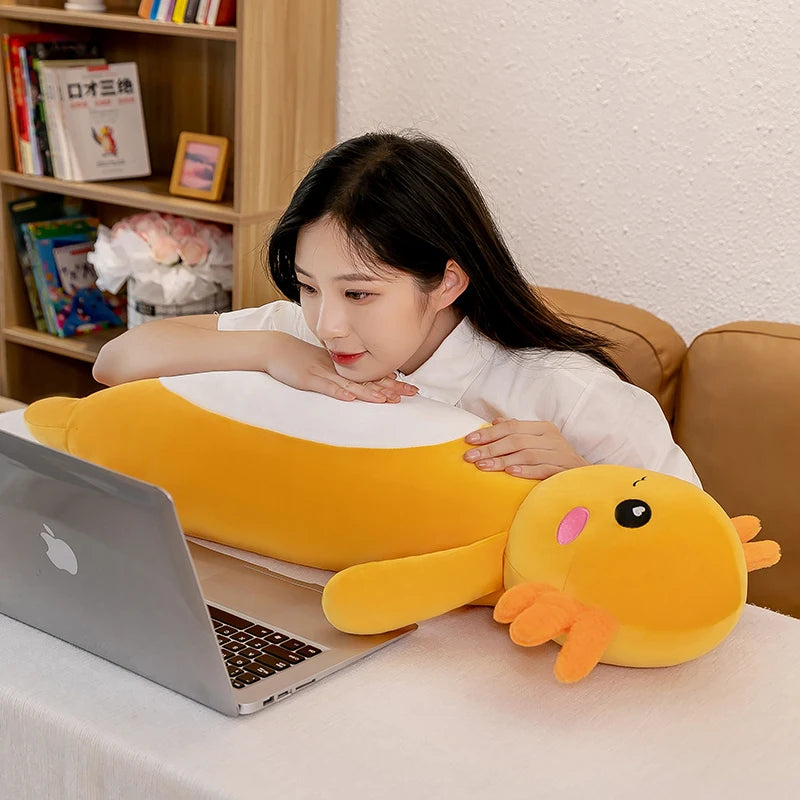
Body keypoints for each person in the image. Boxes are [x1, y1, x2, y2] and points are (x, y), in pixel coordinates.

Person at [94, 131, 700, 487]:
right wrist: (269, 349)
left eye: (359, 293)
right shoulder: (299, 337)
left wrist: (577, 483)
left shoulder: (567, 395)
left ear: (446, 283)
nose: (327, 323)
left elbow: (703, 548)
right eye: (308, 285)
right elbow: (117, 362)